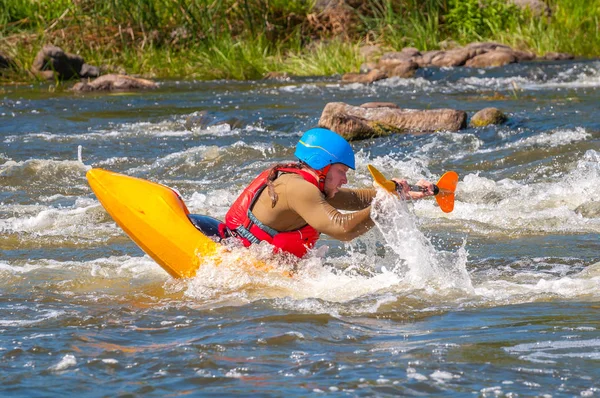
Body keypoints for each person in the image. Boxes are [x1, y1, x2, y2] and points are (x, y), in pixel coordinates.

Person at [221, 127, 435, 258]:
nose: (345, 179)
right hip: (239, 258)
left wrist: (398, 193)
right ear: (321, 166)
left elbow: (354, 199)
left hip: (252, 254)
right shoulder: (298, 188)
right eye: (341, 171)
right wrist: (382, 207)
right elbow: (342, 230)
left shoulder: (309, 184)